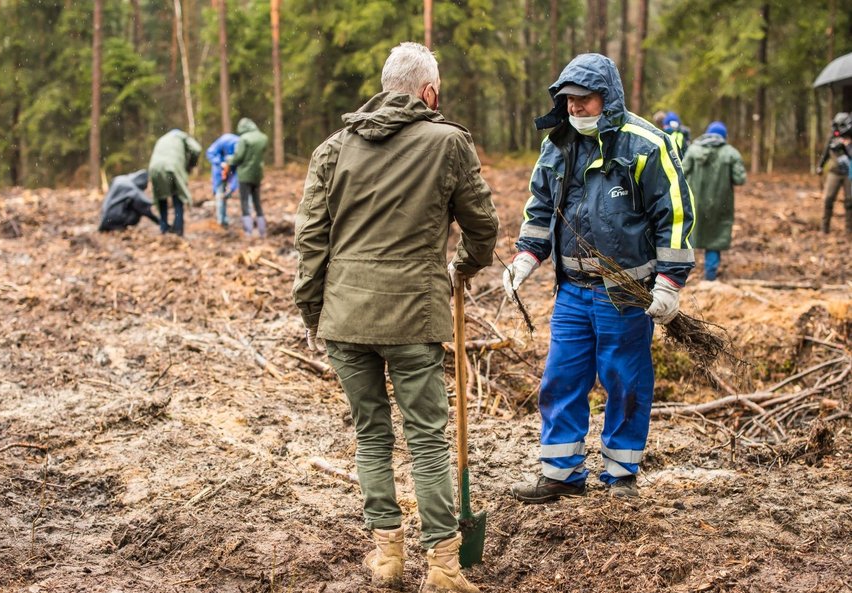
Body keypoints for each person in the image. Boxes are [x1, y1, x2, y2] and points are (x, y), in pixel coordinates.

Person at [293, 42, 498, 593]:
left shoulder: (332, 149)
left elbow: (311, 240)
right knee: (428, 441)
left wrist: (317, 311)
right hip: (414, 314)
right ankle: (444, 567)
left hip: (346, 316)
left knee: (371, 434)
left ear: (386, 88)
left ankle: (387, 554)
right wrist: (464, 266)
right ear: (428, 92)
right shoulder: (449, 143)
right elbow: (483, 225)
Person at [503, 53, 695, 502]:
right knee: (561, 378)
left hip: (625, 293)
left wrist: (670, 282)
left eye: (583, 100)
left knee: (625, 380)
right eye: (568, 100)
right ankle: (561, 474)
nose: (574, 108)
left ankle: (621, 474)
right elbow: (541, 207)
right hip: (572, 289)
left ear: (607, 99)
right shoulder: (558, 145)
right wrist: (527, 256)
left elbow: (676, 215)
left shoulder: (647, 144)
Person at [682, 121, 747, 281]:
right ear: (724, 136)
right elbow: (740, 179)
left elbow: (681, 172)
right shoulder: (731, 153)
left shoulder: (693, 150)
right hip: (721, 204)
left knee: (689, 237)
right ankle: (710, 276)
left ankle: (682, 275)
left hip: (695, 203)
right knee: (715, 240)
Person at [148, 129, 202, 237]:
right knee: (178, 197)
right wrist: (191, 164)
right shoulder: (182, 137)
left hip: (154, 168)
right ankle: (178, 230)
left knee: (161, 198)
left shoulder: (162, 139)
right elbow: (197, 148)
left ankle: (164, 229)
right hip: (172, 167)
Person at [224, 118, 268, 238]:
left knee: (244, 202)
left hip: (244, 175)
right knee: (257, 202)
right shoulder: (262, 137)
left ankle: (248, 232)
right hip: (257, 174)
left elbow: (238, 158)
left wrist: (229, 159)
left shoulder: (244, 139)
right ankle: (262, 231)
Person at [816, 112, 852, 234]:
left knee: (850, 201)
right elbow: (826, 152)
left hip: (849, 173)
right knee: (828, 199)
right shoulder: (833, 136)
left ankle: (849, 230)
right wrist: (820, 166)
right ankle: (824, 229)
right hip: (834, 172)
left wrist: (847, 146)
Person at [206, 133, 240, 227]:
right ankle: (221, 220)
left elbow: (238, 170)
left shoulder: (241, 147)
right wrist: (221, 163)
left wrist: (232, 188)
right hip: (219, 171)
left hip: (231, 171)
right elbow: (210, 153)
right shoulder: (223, 141)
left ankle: (224, 219)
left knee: (225, 195)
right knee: (220, 194)